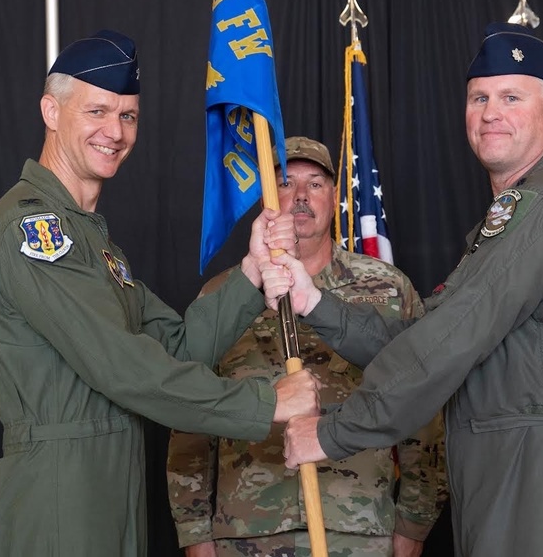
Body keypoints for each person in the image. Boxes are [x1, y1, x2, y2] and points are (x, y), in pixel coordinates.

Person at [265, 23, 543, 555]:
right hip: (514, 473)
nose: (490, 112)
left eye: (511, 97)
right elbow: (433, 335)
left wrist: (331, 433)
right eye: (479, 97)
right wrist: (314, 303)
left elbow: (450, 343)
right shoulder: (520, 214)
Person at [0, 30, 320, 557]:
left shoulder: (91, 237)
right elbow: (124, 368)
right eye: (98, 112)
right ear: (51, 111)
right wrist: (265, 402)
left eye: (128, 115)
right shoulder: (31, 231)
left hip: (111, 488)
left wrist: (250, 273)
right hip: (58, 497)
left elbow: (175, 348)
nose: (115, 131)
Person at [166, 136, 448, 557]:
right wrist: (194, 532)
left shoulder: (389, 288)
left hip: (359, 532)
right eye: (285, 182)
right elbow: (190, 412)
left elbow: (421, 410)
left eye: (315, 184)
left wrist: (414, 524)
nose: (300, 196)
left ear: (334, 197)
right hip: (246, 533)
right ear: (266, 196)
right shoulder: (224, 295)